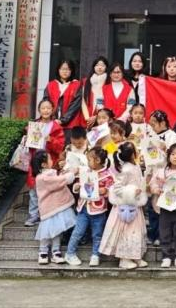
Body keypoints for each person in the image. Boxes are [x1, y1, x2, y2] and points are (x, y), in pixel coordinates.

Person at [99, 142, 148, 270]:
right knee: (126, 232)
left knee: (136, 231)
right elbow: (117, 188)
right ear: (132, 154)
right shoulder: (126, 169)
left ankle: (136, 256)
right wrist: (132, 192)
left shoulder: (135, 166)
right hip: (125, 207)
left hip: (135, 204)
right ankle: (124, 259)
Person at [66, 147, 115, 267]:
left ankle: (95, 255)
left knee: (97, 234)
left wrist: (106, 191)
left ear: (97, 160)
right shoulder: (86, 171)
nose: (87, 162)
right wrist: (77, 187)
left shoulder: (108, 175)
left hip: (98, 210)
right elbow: (79, 184)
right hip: (83, 208)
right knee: (78, 232)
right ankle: (70, 253)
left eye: (89, 160)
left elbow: (113, 190)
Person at [24, 98, 65, 227]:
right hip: (35, 160)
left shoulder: (56, 127)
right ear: (39, 110)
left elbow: (60, 147)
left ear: (52, 110)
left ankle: (47, 214)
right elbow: (28, 146)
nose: (46, 110)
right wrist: (28, 136)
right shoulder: (34, 125)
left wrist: (50, 140)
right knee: (34, 189)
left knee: (48, 189)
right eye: (43, 108)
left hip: (49, 162)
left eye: (48, 108)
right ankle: (33, 215)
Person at [31, 150, 77, 265]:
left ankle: (56, 251)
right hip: (48, 209)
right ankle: (43, 251)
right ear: (43, 164)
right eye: (50, 159)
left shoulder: (51, 174)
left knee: (57, 230)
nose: (52, 160)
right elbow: (58, 182)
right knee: (46, 232)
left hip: (56, 207)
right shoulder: (42, 177)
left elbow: (58, 179)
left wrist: (64, 173)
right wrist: (70, 174)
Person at [145, 110, 176, 246]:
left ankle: (163, 235)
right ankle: (152, 234)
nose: (152, 125)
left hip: (167, 175)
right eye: (151, 123)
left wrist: (165, 148)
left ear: (163, 122)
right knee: (152, 206)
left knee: (164, 206)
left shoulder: (173, 136)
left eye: (154, 123)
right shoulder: (150, 135)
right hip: (152, 174)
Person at [43, 59, 82, 140]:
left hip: (71, 124)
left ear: (71, 71)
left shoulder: (77, 85)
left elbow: (75, 105)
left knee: (68, 146)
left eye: (67, 69)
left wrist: (63, 120)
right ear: (58, 70)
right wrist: (52, 118)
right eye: (62, 69)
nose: (65, 71)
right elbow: (46, 102)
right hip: (52, 123)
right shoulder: (51, 85)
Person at [79, 56, 108, 129]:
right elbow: (83, 101)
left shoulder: (108, 82)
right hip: (86, 118)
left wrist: (97, 116)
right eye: (97, 65)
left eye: (102, 65)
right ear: (93, 67)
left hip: (102, 119)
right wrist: (87, 118)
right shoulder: (86, 81)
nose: (100, 67)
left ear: (106, 67)